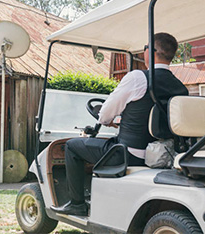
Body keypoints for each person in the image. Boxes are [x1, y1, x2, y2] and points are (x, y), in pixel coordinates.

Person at [52, 32, 188, 216]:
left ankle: (77, 204)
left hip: (129, 154)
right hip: (163, 155)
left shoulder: (137, 78)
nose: (143, 52)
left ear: (151, 51)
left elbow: (105, 113)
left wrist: (107, 120)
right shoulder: (180, 87)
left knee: (71, 146)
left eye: (145, 48)